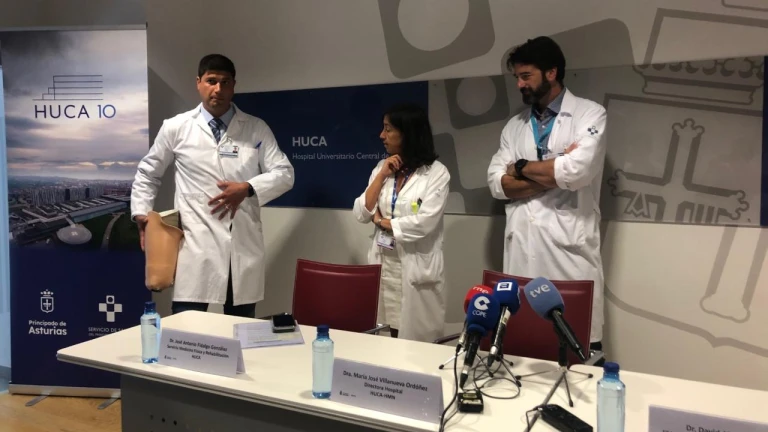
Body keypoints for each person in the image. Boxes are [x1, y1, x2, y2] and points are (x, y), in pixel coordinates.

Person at [131, 54, 294, 318]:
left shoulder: (255, 128)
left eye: (225, 82)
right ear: (198, 82)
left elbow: (285, 173)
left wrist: (247, 188)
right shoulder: (176, 127)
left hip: (241, 248)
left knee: (240, 330)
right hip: (195, 247)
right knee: (186, 330)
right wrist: (141, 213)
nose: (218, 89)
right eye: (211, 81)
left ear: (233, 85)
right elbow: (148, 172)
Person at [486, 36, 607, 360]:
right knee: (524, 355)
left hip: (569, 255)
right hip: (522, 251)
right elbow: (497, 183)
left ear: (551, 73)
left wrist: (520, 167)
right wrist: (555, 170)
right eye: (517, 77)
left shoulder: (589, 115)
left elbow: (578, 171)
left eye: (526, 76)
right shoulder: (514, 126)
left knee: (577, 357)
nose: (520, 85)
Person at [353, 103, 450, 343]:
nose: (381, 135)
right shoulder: (382, 167)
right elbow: (361, 212)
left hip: (415, 267)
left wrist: (381, 220)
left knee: (416, 344)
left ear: (407, 133)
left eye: (388, 129)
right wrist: (381, 176)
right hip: (385, 261)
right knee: (385, 333)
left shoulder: (436, 173)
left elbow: (423, 222)